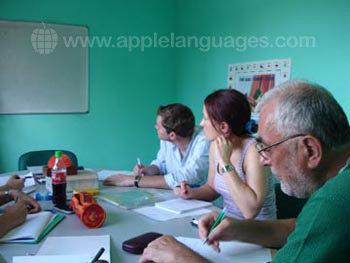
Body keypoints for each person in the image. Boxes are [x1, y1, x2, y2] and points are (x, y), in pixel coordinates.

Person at [138, 80, 350, 263]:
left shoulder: (335, 201)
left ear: (310, 150)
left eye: (267, 148)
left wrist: (181, 257)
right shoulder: (336, 181)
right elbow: (299, 228)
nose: (263, 160)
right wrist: (238, 229)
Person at [174, 89, 276, 220]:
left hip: (258, 233)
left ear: (223, 127)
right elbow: (212, 188)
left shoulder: (254, 151)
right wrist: (191, 193)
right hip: (229, 225)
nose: (201, 124)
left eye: (205, 118)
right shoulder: (215, 145)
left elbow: (250, 211)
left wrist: (225, 162)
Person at [103, 103, 209, 189]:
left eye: (158, 126)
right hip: (176, 198)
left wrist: (131, 180)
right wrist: (150, 170)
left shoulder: (204, 140)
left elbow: (186, 177)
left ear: (172, 135)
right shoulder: (167, 139)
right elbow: (162, 164)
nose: (155, 127)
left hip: (202, 204)